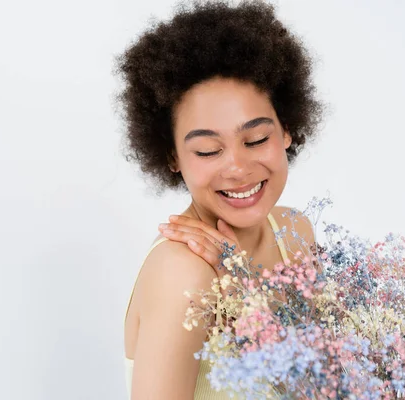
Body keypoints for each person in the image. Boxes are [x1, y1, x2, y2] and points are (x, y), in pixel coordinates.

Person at [115, 1, 323, 398]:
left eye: (257, 139)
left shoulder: (295, 232)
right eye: (209, 150)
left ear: (286, 131)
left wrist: (252, 316)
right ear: (172, 156)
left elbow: (317, 384)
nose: (238, 168)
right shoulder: (185, 276)